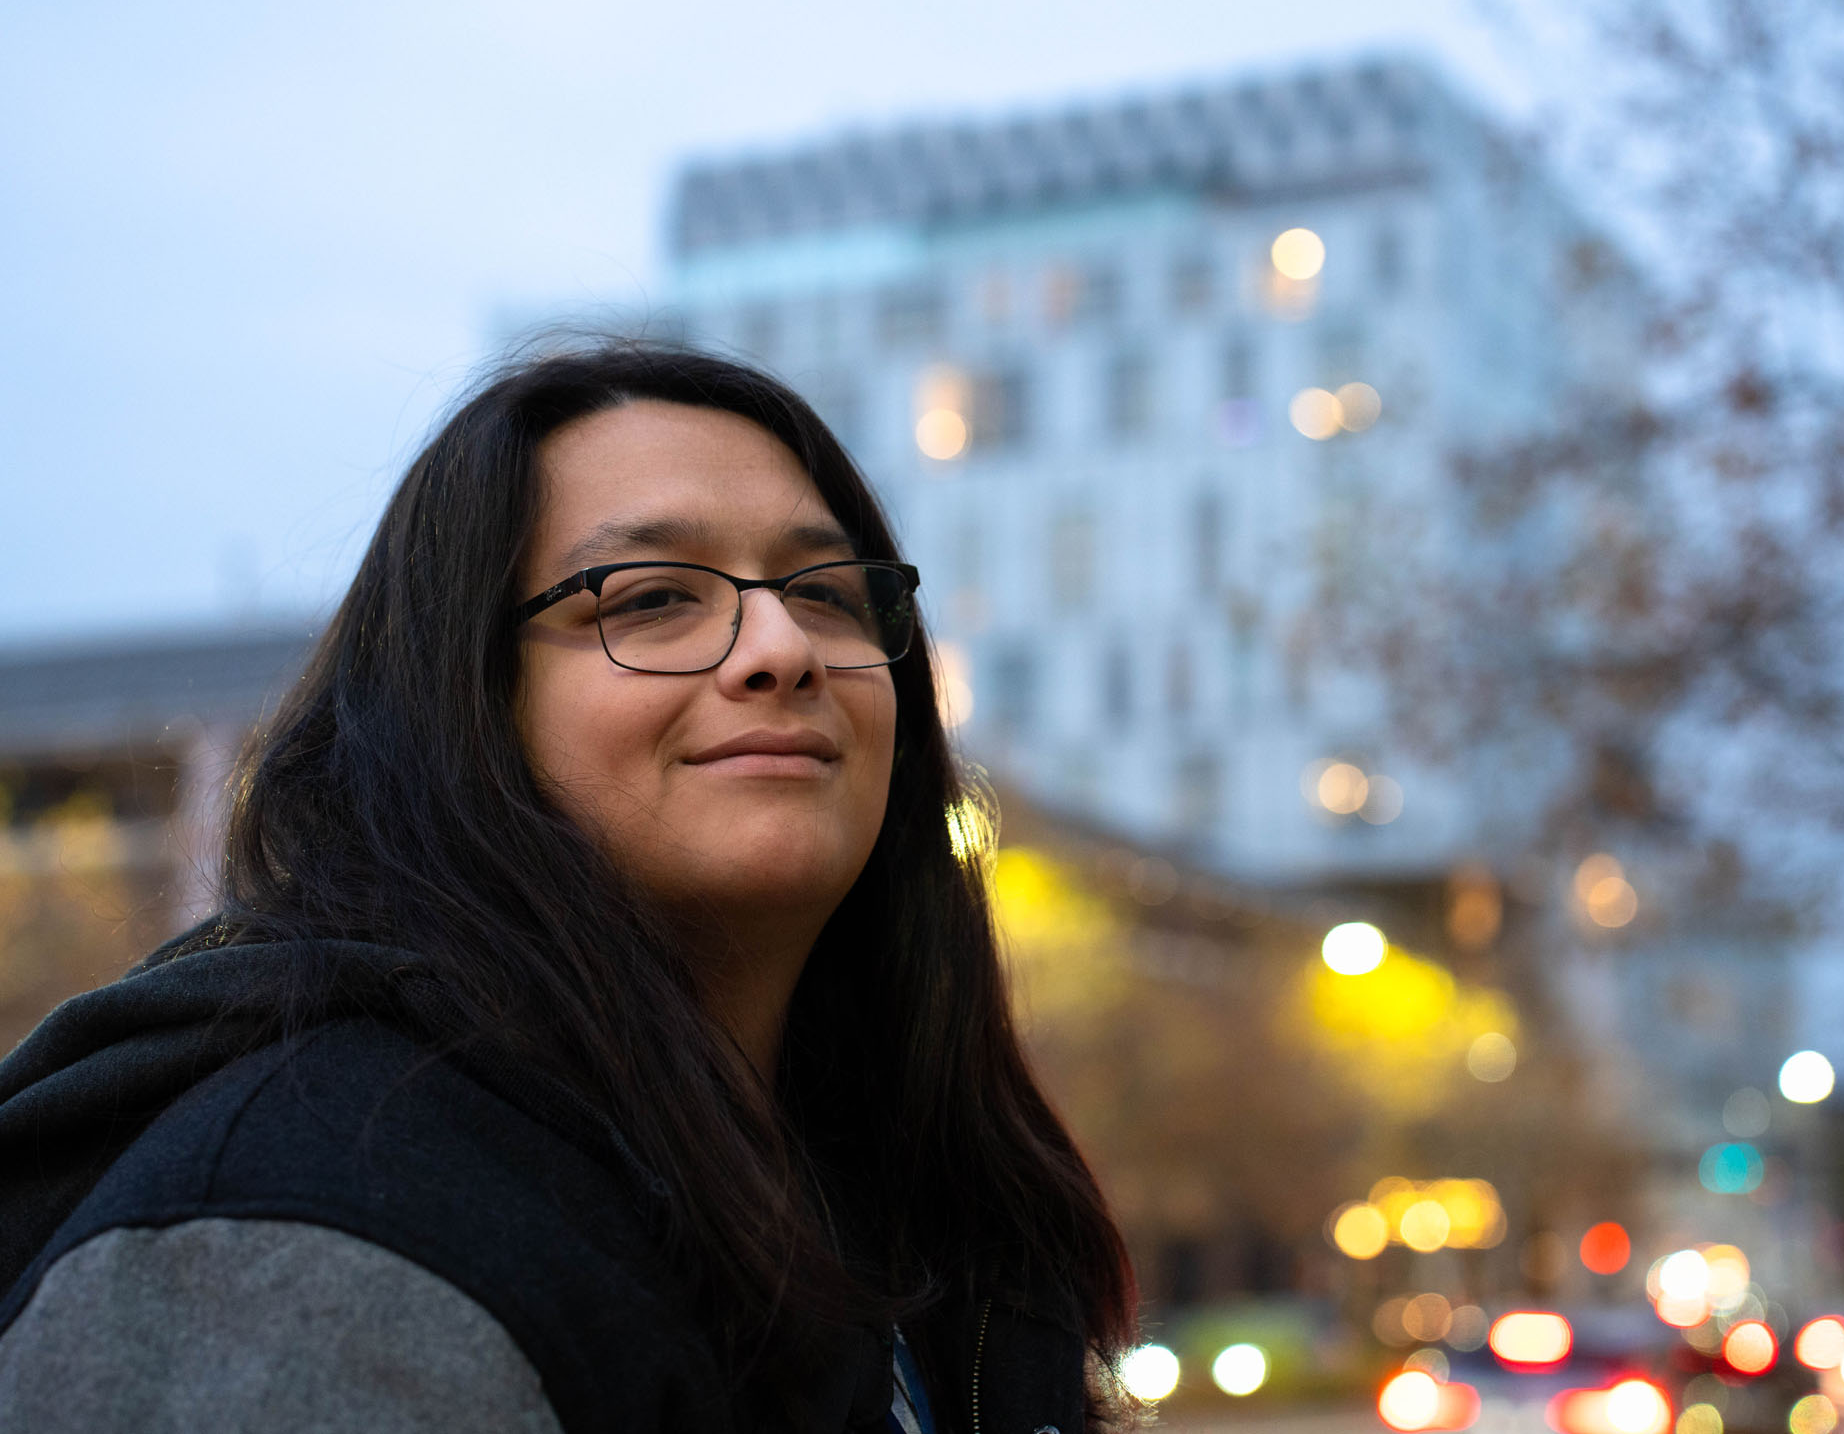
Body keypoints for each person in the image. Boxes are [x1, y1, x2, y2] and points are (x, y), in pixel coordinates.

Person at [0, 342, 1135, 1432]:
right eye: (648, 598)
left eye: (829, 593)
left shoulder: (910, 1193)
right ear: (462, 706)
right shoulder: (303, 1226)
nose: (780, 646)